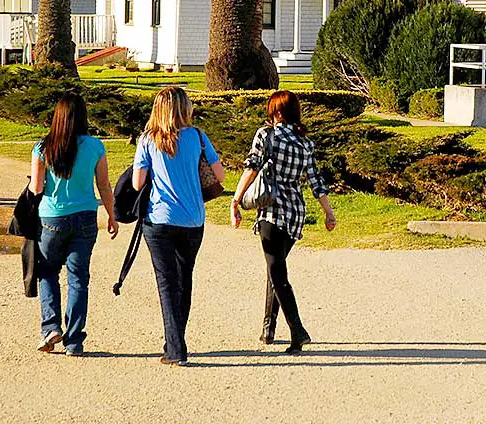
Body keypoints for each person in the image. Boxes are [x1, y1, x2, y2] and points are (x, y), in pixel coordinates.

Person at [231, 90, 337, 355]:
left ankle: (297, 329)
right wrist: (329, 212)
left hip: (271, 209)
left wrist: (236, 199)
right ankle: (268, 328)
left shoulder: (267, 135)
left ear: (276, 112)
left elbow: (252, 166)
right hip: (295, 212)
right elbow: (316, 182)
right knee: (275, 266)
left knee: (277, 270)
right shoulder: (305, 143)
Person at [132, 87, 225, 366]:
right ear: (185, 108)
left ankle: (175, 348)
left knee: (166, 282)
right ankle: (176, 338)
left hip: (159, 219)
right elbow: (219, 175)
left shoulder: (148, 140)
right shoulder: (197, 136)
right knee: (184, 279)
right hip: (193, 219)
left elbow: (138, 183)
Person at [29, 94, 118, 357]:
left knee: (47, 273)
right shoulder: (95, 146)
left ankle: (51, 326)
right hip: (85, 217)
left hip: (51, 218)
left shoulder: (43, 148)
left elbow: (36, 187)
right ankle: (75, 341)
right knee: (79, 279)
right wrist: (111, 215)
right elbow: (103, 184)